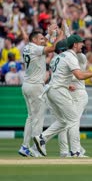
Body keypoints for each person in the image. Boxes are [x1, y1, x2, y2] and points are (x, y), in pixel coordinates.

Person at [33, 34, 92, 157]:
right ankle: (75, 151)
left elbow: (59, 76)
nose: (83, 45)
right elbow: (79, 76)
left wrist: (67, 85)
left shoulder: (57, 58)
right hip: (58, 91)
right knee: (73, 119)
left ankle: (41, 138)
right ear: (74, 45)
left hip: (52, 90)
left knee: (64, 121)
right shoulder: (70, 56)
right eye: (81, 43)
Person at [18, 27, 62, 157]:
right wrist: (60, 35)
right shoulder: (35, 48)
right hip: (35, 86)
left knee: (31, 117)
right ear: (34, 39)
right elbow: (52, 48)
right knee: (38, 118)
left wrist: (48, 34)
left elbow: (42, 44)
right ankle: (37, 148)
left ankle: (25, 146)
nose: (44, 40)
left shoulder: (28, 47)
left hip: (26, 85)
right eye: (41, 39)